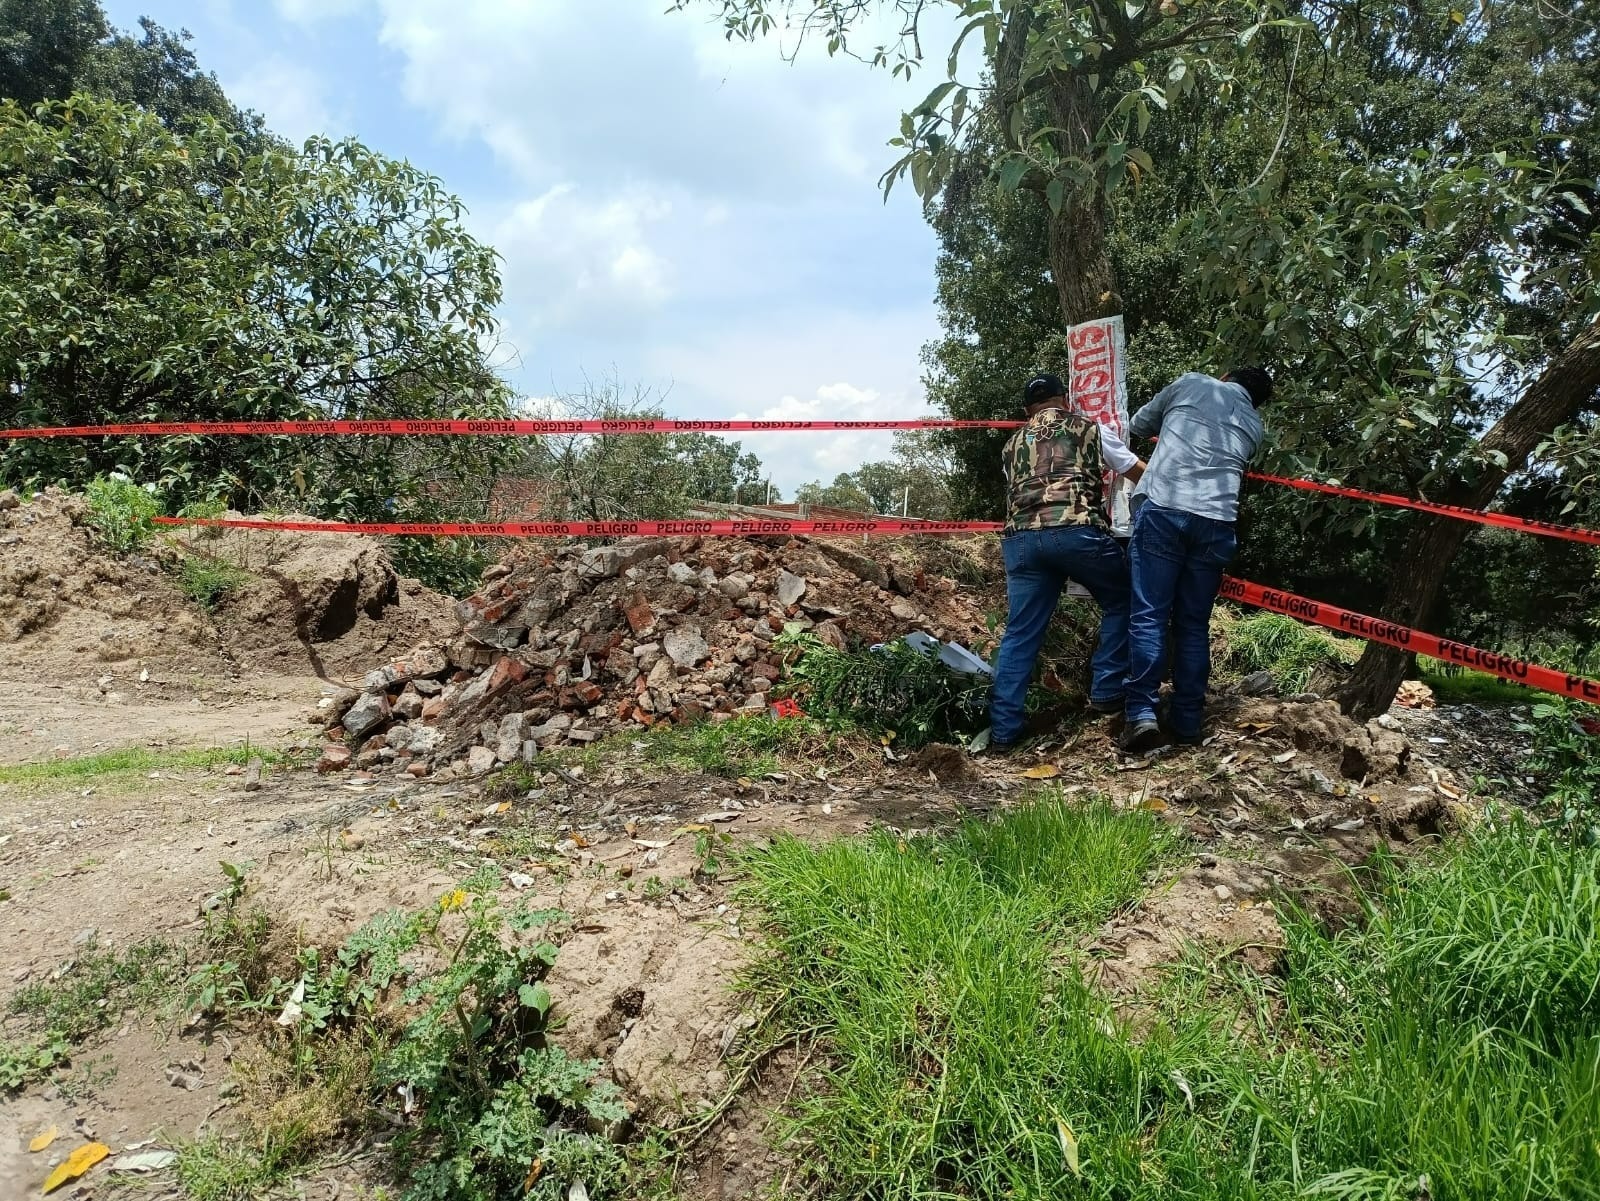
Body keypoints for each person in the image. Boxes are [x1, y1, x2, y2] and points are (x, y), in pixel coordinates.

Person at [1119, 367, 1272, 754]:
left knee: (1149, 615)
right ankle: (1187, 721)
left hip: (1166, 508)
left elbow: (1138, 423)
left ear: (1225, 377)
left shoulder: (1193, 383)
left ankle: (1142, 715)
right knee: (1193, 624)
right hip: (1218, 522)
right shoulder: (1255, 427)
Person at [989, 373, 1146, 749]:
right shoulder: (1090, 429)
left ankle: (1003, 732)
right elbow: (1135, 471)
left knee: (1020, 632)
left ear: (1027, 409)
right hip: (1077, 533)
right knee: (1123, 598)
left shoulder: (1011, 445)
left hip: (1022, 541)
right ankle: (1107, 690)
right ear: (1065, 399)